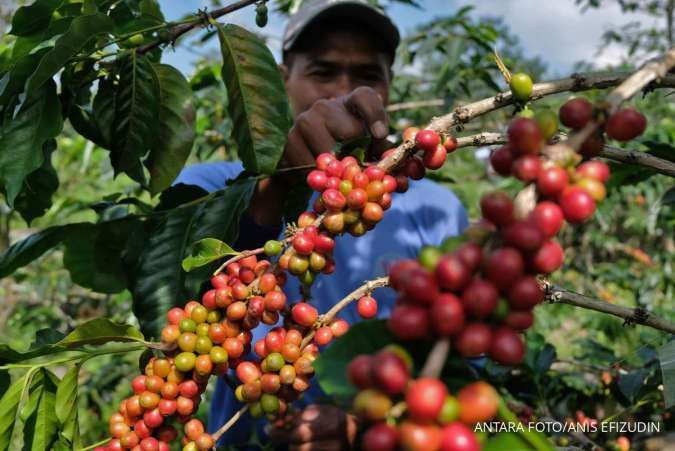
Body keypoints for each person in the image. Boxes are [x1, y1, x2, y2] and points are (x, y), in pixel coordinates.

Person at [174, 0, 468, 448]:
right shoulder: (212, 189)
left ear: (389, 85)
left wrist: (367, 423)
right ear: (280, 78)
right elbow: (182, 301)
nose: (342, 92)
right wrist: (275, 189)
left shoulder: (438, 211)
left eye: (367, 75)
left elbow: (460, 358)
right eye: (323, 71)